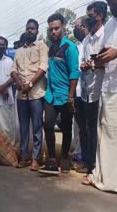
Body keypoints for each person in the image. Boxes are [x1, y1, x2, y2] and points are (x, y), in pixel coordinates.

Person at [85, 0, 117, 197]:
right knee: (108, 134)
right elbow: (107, 54)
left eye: (113, 1)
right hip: (109, 86)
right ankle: (106, 177)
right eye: (108, 1)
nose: (111, 5)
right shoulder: (111, 24)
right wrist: (97, 61)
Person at [38, 13, 79, 175]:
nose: (53, 32)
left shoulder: (70, 47)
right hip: (51, 94)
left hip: (65, 95)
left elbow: (74, 73)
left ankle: (64, 159)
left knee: (66, 128)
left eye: (56, 28)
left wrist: (70, 96)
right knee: (48, 125)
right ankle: (52, 161)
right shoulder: (50, 48)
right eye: (51, 29)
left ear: (63, 27)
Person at [11, 19, 49, 171]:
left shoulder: (41, 46)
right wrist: (20, 85)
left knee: (37, 126)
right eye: (28, 28)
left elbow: (43, 67)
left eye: (32, 29)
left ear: (37, 31)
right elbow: (13, 70)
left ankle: (36, 158)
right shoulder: (19, 51)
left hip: (36, 94)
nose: (30, 31)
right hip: (22, 95)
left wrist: (30, 84)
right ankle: (24, 157)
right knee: (24, 127)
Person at [76, 2, 107, 174]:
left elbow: (109, 60)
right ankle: (89, 163)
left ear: (100, 16)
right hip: (87, 91)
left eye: (91, 15)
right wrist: (86, 65)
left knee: (98, 129)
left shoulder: (106, 35)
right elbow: (83, 61)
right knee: (87, 129)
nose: (88, 19)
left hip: (101, 90)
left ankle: (97, 165)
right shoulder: (87, 40)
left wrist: (94, 64)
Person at [71, 16, 89, 168]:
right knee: (79, 128)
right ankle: (80, 155)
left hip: (91, 93)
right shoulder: (76, 47)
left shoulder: (91, 42)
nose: (74, 29)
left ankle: (88, 158)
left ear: (84, 27)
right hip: (77, 93)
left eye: (76, 26)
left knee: (88, 128)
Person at [0, 36, 15, 143]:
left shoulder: (10, 61)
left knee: (10, 128)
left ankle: (11, 153)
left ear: (6, 47)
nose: (1, 46)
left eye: (3, 45)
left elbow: (14, 76)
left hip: (8, 99)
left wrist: (4, 87)